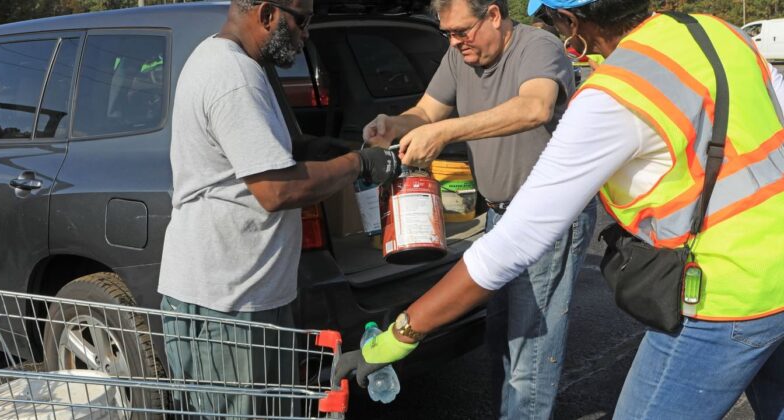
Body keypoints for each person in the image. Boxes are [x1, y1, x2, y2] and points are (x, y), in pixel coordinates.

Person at [336, 0, 784, 417]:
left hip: (726, 295)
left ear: (571, 25)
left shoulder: (614, 95)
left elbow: (511, 244)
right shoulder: (717, 31)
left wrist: (395, 339)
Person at [156, 0, 399, 415]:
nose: (306, 35)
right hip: (228, 302)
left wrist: (340, 150)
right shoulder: (233, 77)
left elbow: (280, 149)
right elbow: (275, 189)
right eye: (301, 21)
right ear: (267, 13)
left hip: (244, 294)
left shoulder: (241, 64)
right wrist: (357, 164)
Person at [361, 0, 596, 417]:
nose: (455, 43)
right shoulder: (459, 56)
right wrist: (393, 124)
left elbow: (534, 107)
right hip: (500, 215)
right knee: (500, 340)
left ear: (492, 14)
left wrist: (446, 130)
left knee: (529, 352)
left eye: (461, 31)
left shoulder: (538, 46)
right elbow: (425, 112)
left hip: (548, 217)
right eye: (447, 34)